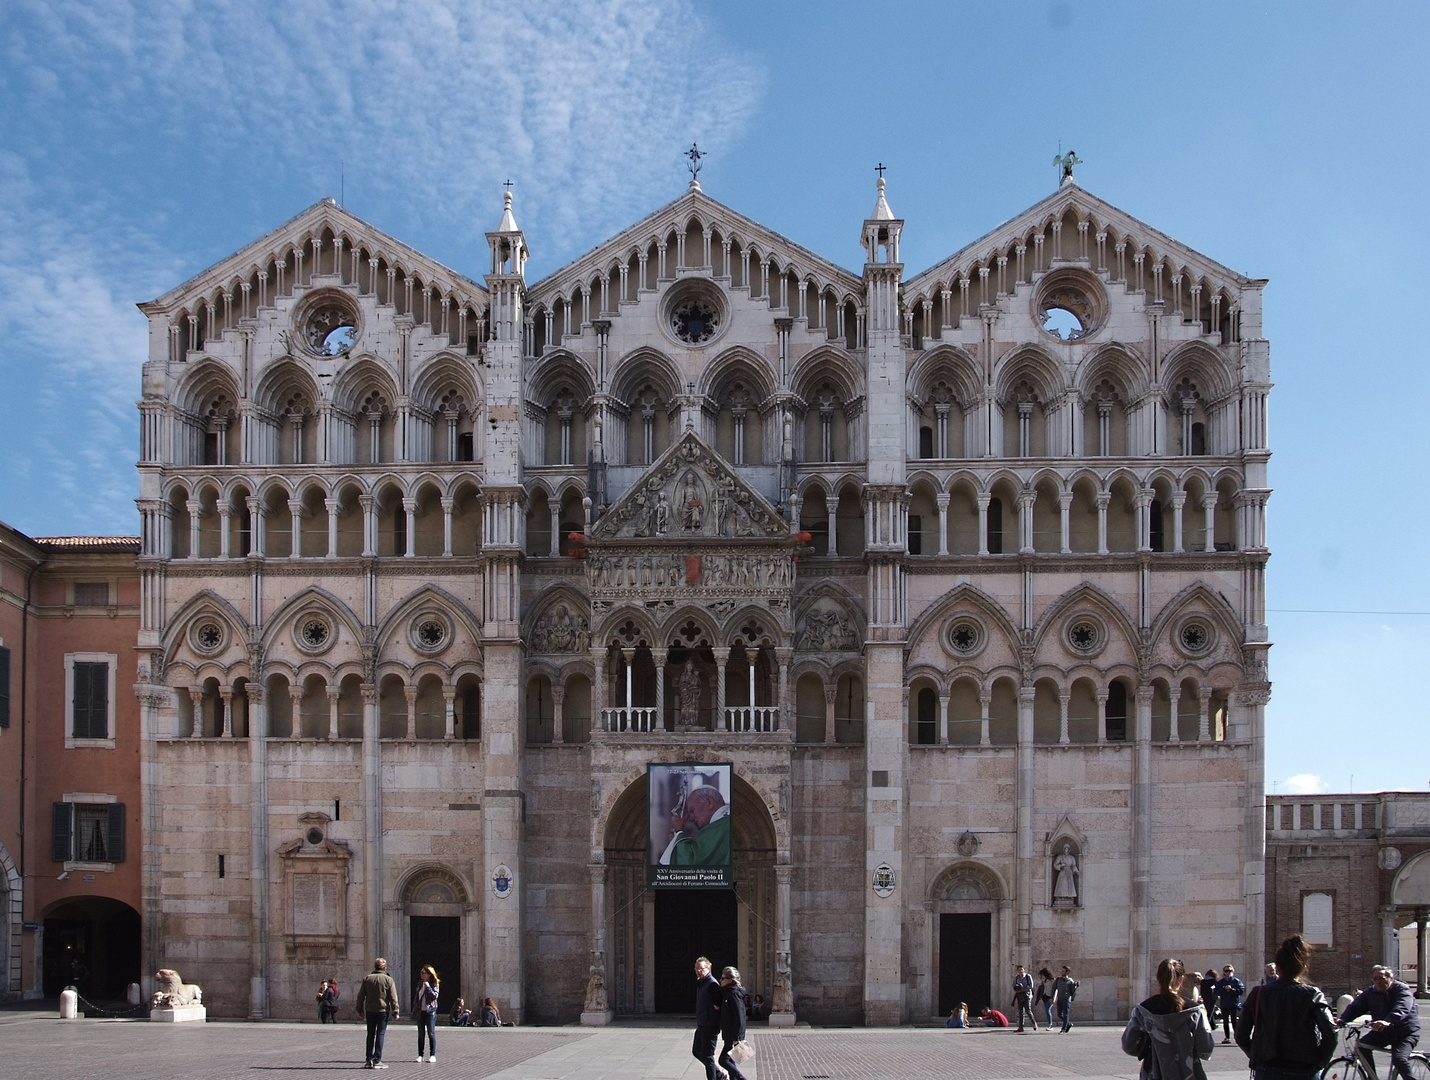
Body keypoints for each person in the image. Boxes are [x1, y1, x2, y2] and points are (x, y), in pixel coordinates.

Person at [1235, 934, 1338, 1080]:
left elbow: (1241, 1035)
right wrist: (1320, 1060)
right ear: (1303, 968)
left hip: (1268, 1068)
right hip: (1305, 1069)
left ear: (1277, 968)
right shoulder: (1313, 994)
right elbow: (1331, 1032)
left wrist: (1257, 1056)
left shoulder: (1258, 994)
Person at [1121, 958, 1215, 1080]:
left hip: (1153, 1073)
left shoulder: (1143, 1011)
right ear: (1181, 979)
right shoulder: (1194, 1011)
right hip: (1189, 1073)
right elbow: (1206, 1049)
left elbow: (1129, 1046)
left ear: (1158, 979)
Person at [1338, 965, 1421, 1080]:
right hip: (1384, 1031)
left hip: (1405, 1033)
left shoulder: (1402, 990)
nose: (1378, 981)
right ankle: (1372, 1077)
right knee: (1362, 1047)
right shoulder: (1370, 992)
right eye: (1375, 979)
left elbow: (1402, 1007)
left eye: (1381, 978)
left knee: (1399, 1059)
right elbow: (1356, 1006)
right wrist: (1343, 1019)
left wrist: (1388, 1021)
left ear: (1390, 978)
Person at [661, 786, 732, 868]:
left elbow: (692, 864)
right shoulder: (723, 822)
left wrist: (678, 830)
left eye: (692, 810)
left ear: (709, 802)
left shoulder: (720, 826)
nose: (690, 818)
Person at [355, 957, 400, 1069]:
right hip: (383, 1011)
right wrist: (396, 1011)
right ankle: (377, 1059)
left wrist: (359, 1009)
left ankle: (368, 1059)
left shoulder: (367, 979)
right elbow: (393, 997)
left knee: (370, 1034)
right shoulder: (388, 980)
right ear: (385, 967)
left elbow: (360, 996)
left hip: (370, 1010)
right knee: (380, 1034)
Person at [692, 957, 725, 1080]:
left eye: (702, 968)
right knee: (697, 1051)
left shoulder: (712, 984)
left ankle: (715, 1077)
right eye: (697, 968)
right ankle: (719, 1074)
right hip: (702, 1023)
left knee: (708, 1055)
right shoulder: (701, 983)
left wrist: (712, 1014)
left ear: (708, 968)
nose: (699, 971)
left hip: (710, 1025)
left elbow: (718, 1004)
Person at [718, 966, 749, 1080]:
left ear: (731, 980)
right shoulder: (727, 993)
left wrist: (737, 1037)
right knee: (731, 1059)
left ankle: (741, 1078)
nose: (720, 980)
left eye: (723, 978)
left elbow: (740, 1016)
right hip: (728, 1033)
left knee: (723, 1060)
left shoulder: (733, 994)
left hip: (733, 1035)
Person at [412, 964, 440, 1063]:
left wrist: (428, 987)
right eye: (421, 972)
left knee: (431, 1033)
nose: (421, 974)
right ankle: (420, 1055)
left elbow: (434, 997)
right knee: (421, 1034)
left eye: (423, 973)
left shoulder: (435, 984)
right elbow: (417, 997)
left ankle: (433, 1054)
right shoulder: (420, 984)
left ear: (429, 974)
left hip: (430, 1012)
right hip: (421, 1011)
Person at [1216, 964, 1246, 1045]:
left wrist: (1231, 989)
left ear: (1233, 971)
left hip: (1234, 1004)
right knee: (1225, 1021)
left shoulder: (1236, 981)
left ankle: (1237, 1037)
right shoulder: (1221, 982)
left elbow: (1241, 990)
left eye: (1230, 971)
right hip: (1225, 1004)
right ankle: (1227, 1037)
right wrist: (1224, 989)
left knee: (1234, 1021)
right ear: (1224, 972)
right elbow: (1216, 991)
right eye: (1226, 971)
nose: (1228, 972)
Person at [1053, 965, 1080, 1033]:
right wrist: (1052, 997)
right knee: (1059, 1014)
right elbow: (1054, 988)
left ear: (1067, 972)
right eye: (1061, 971)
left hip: (1066, 999)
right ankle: (1068, 1024)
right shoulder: (1058, 979)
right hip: (1060, 998)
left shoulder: (1070, 981)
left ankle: (1063, 1029)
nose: (1061, 972)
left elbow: (1072, 991)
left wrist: (1076, 985)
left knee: (1065, 1014)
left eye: (1063, 971)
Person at [1012, 964, 1038, 1032]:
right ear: (1017, 971)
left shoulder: (1028, 976)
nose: (1021, 971)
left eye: (1022, 969)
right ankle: (1021, 1027)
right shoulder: (1016, 978)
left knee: (1028, 1010)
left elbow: (1031, 986)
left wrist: (1023, 989)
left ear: (1024, 970)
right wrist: (1017, 989)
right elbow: (1014, 986)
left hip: (1027, 995)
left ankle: (1034, 1023)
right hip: (1020, 996)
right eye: (1019, 970)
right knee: (1020, 1011)